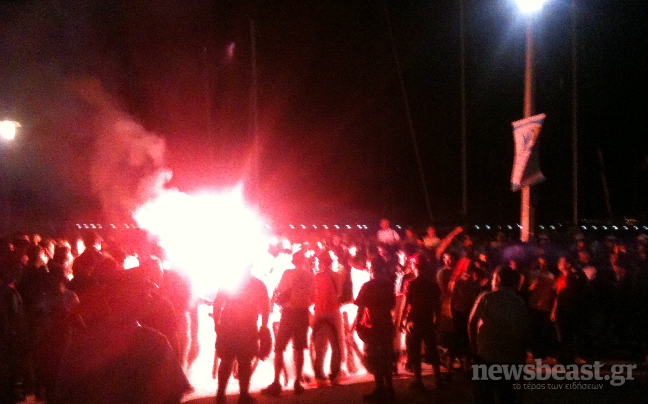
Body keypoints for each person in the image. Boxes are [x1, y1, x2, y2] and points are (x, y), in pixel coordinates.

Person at [469, 266, 531, 404]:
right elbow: (524, 332)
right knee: (506, 394)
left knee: (484, 395)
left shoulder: (486, 297)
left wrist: (474, 348)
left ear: (498, 280)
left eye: (493, 278)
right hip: (508, 358)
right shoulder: (519, 302)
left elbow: (472, 323)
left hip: (485, 355)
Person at [212, 264, 270, 404]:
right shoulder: (257, 284)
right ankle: (243, 394)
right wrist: (263, 326)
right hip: (246, 328)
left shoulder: (231, 282)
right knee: (244, 362)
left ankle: (221, 394)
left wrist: (217, 324)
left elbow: (217, 304)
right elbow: (265, 307)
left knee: (227, 361)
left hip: (230, 328)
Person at [262, 250, 315, 396]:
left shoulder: (288, 273)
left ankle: (276, 382)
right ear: (304, 261)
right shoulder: (310, 276)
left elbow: (279, 290)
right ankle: (297, 382)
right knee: (299, 348)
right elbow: (313, 296)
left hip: (289, 313)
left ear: (293, 261)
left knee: (279, 347)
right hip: (303, 313)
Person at [354, 261, 396, 402]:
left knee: (376, 357)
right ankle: (390, 389)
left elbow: (360, 306)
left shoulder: (367, 286)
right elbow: (392, 304)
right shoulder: (389, 285)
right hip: (386, 323)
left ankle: (379, 389)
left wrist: (357, 323)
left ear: (372, 271)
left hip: (374, 325)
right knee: (386, 356)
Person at [402, 258, 444, 391]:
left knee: (414, 351)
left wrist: (401, 321)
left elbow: (406, 303)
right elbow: (438, 305)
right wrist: (437, 320)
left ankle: (418, 381)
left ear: (414, 266)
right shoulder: (432, 284)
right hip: (428, 320)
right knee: (432, 349)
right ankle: (438, 379)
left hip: (414, 320)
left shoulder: (411, 283)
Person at [311, 250, 344, 387]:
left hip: (319, 313)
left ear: (323, 262)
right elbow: (339, 292)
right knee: (336, 345)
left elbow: (311, 296)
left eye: (319, 261)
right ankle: (334, 375)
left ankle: (320, 377)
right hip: (333, 312)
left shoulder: (315, 277)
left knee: (320, 347)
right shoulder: (336, 275)